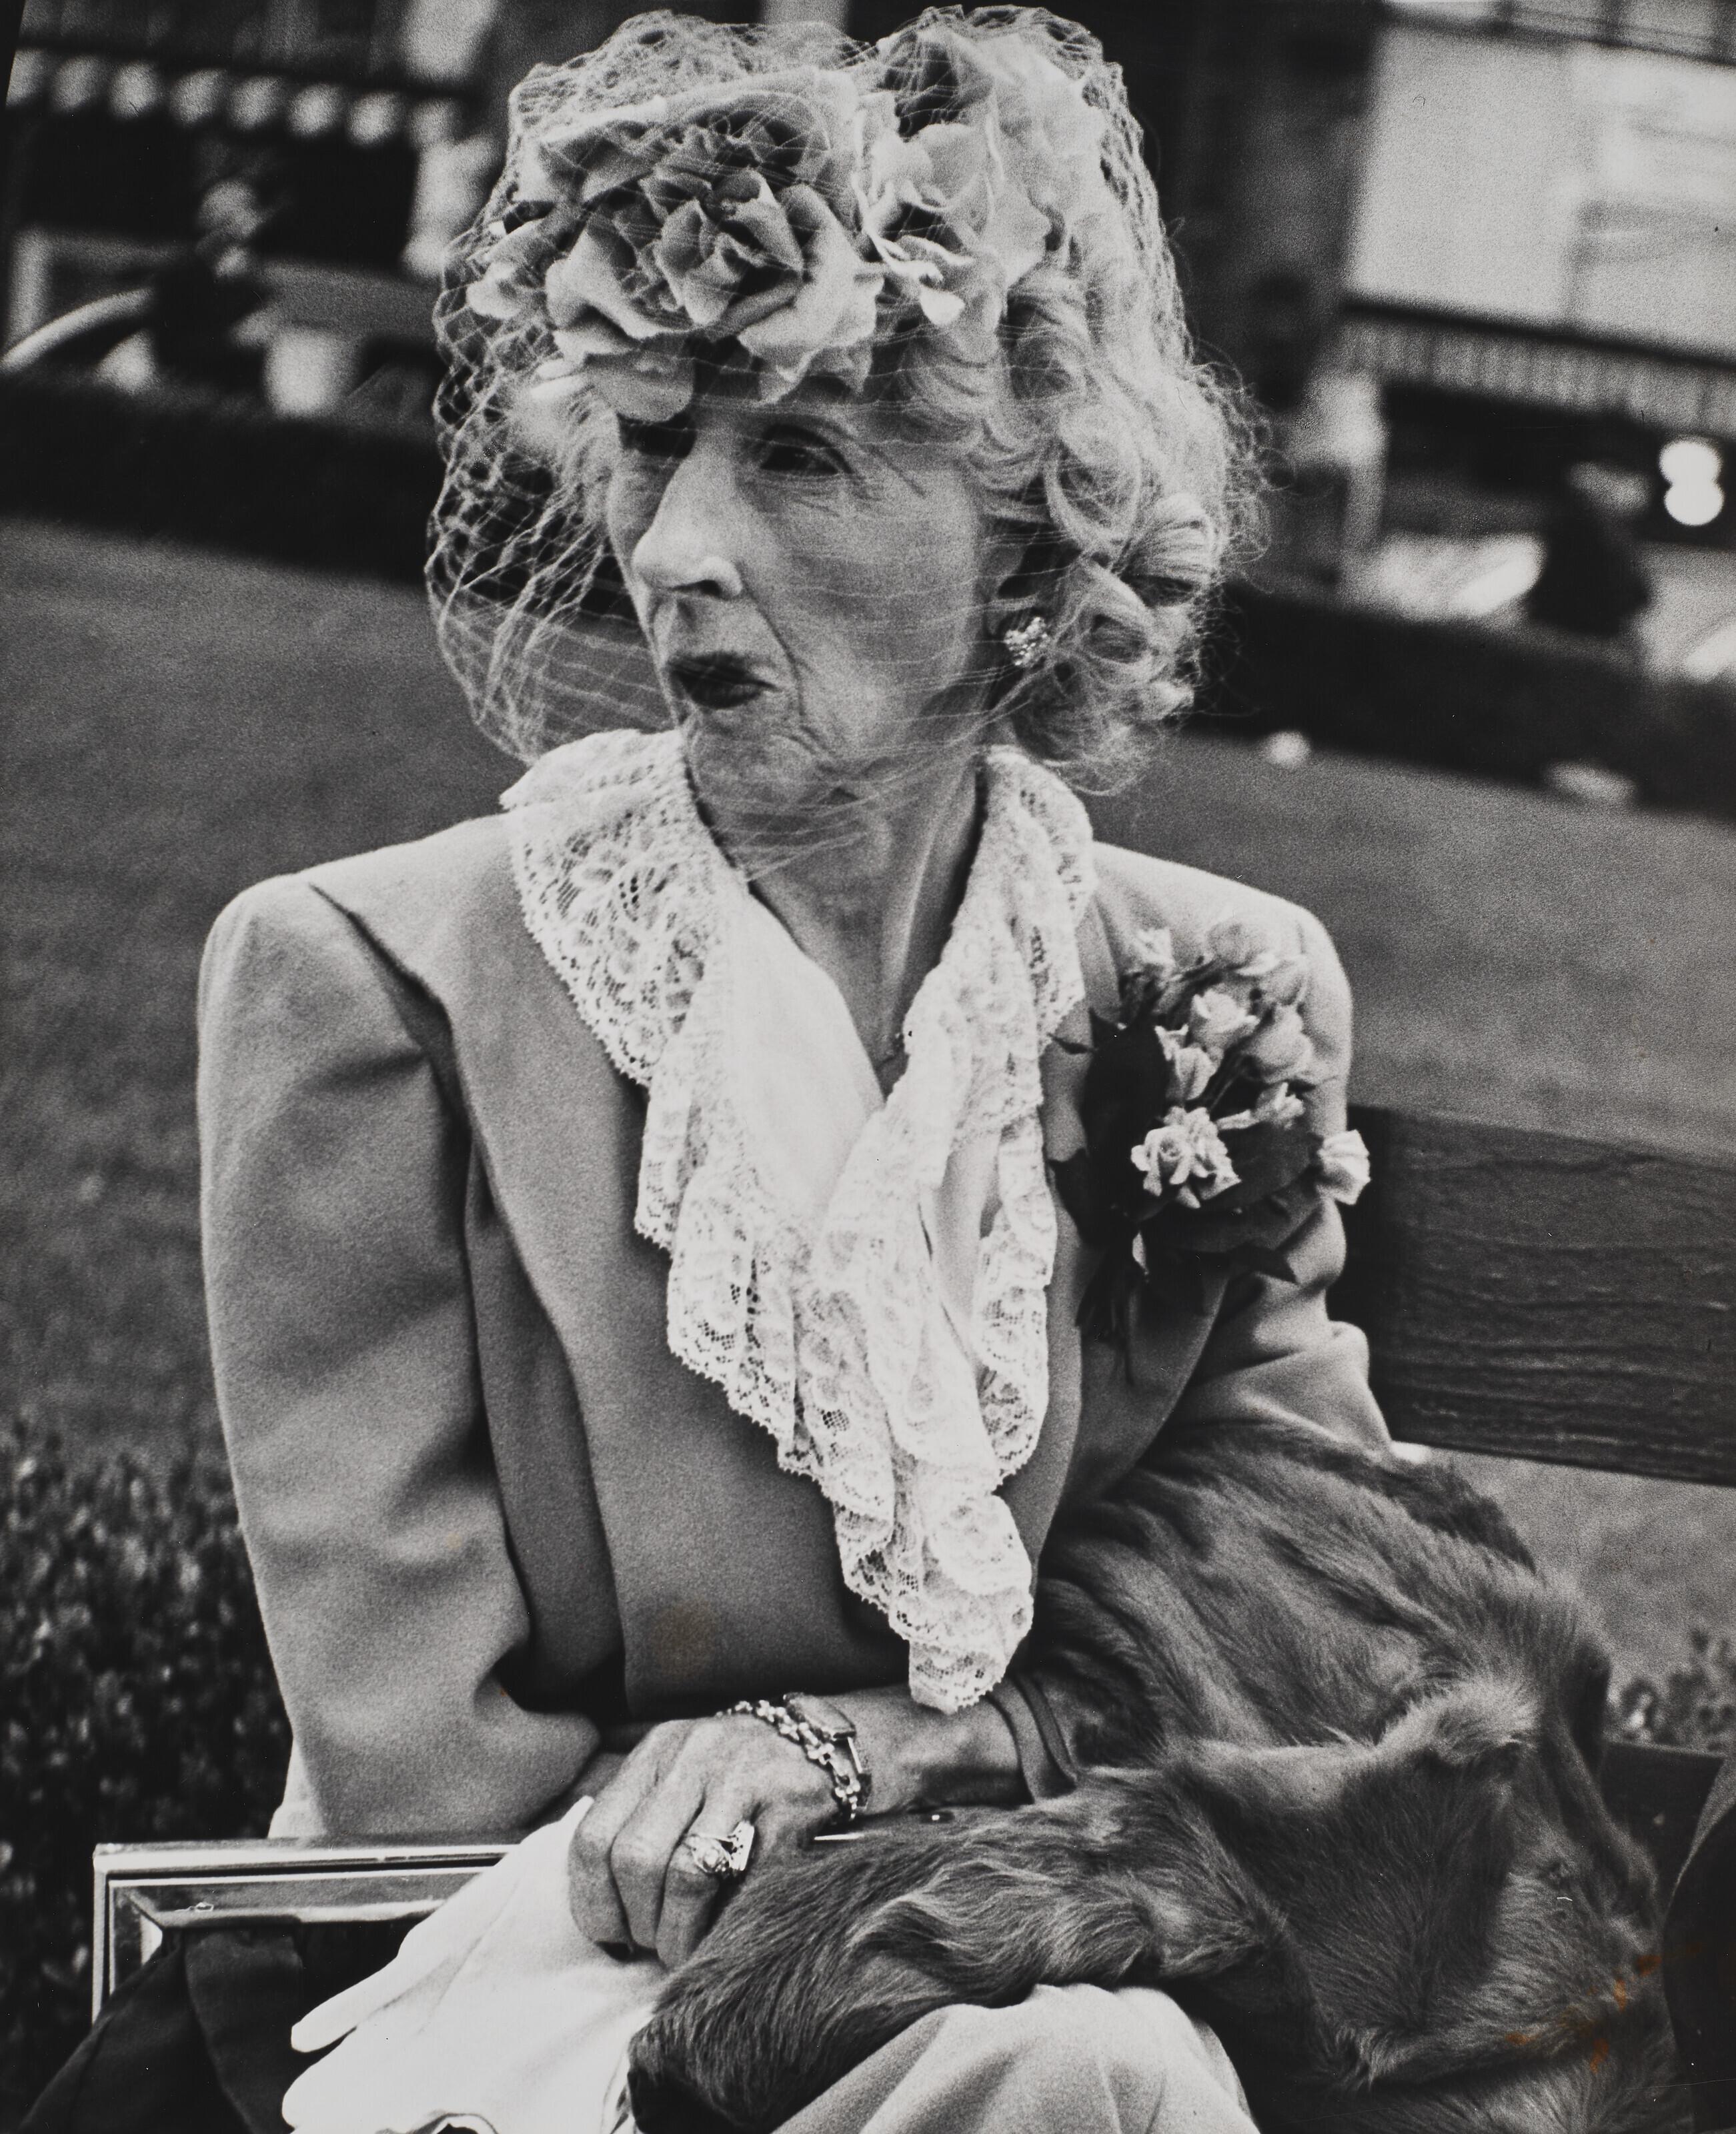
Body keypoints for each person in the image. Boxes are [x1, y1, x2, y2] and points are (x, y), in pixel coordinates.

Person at [193, 9, 1388, 2125]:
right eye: (650, 445)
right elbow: (418, 1767)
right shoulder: (368, 988)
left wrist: (886, 1748)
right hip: (516, 1979)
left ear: (1029, 539)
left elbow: (1294, 1637)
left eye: (799, 458)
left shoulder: (1209, 994)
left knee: (1087, 2064)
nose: (669, 551)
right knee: (1082, 2082)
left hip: (1044, 1947)